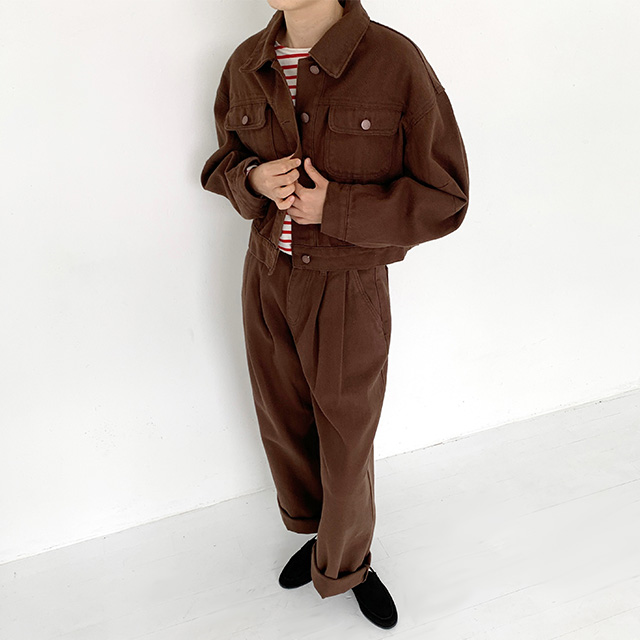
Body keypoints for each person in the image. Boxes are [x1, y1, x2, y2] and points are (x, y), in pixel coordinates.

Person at [200, 0, 469, 629]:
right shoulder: (246, 63)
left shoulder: (393, 60)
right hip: (266, 275)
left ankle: (347, 565)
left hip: (347, 285)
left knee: (346, 439)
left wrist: (337, 209)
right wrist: (253, 179)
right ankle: (315, 533)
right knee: (284, 421)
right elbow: (221, 164)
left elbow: (446, 198)